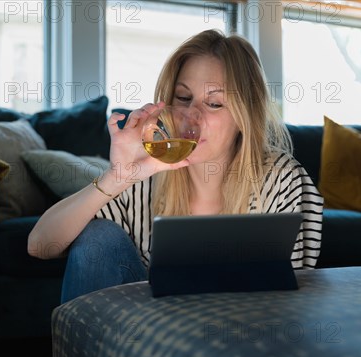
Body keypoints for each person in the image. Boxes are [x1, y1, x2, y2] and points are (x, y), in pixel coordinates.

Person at [28, 29, 323, 303]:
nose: (192, 116)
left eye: (214, 104)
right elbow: (40, 245)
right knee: (98, 236)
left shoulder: (280, 176)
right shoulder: (148, 173)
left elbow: (285, 298)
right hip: (144, 335)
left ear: (245, 114)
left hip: (239, 330)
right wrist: (117, 178)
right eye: (183, 98)